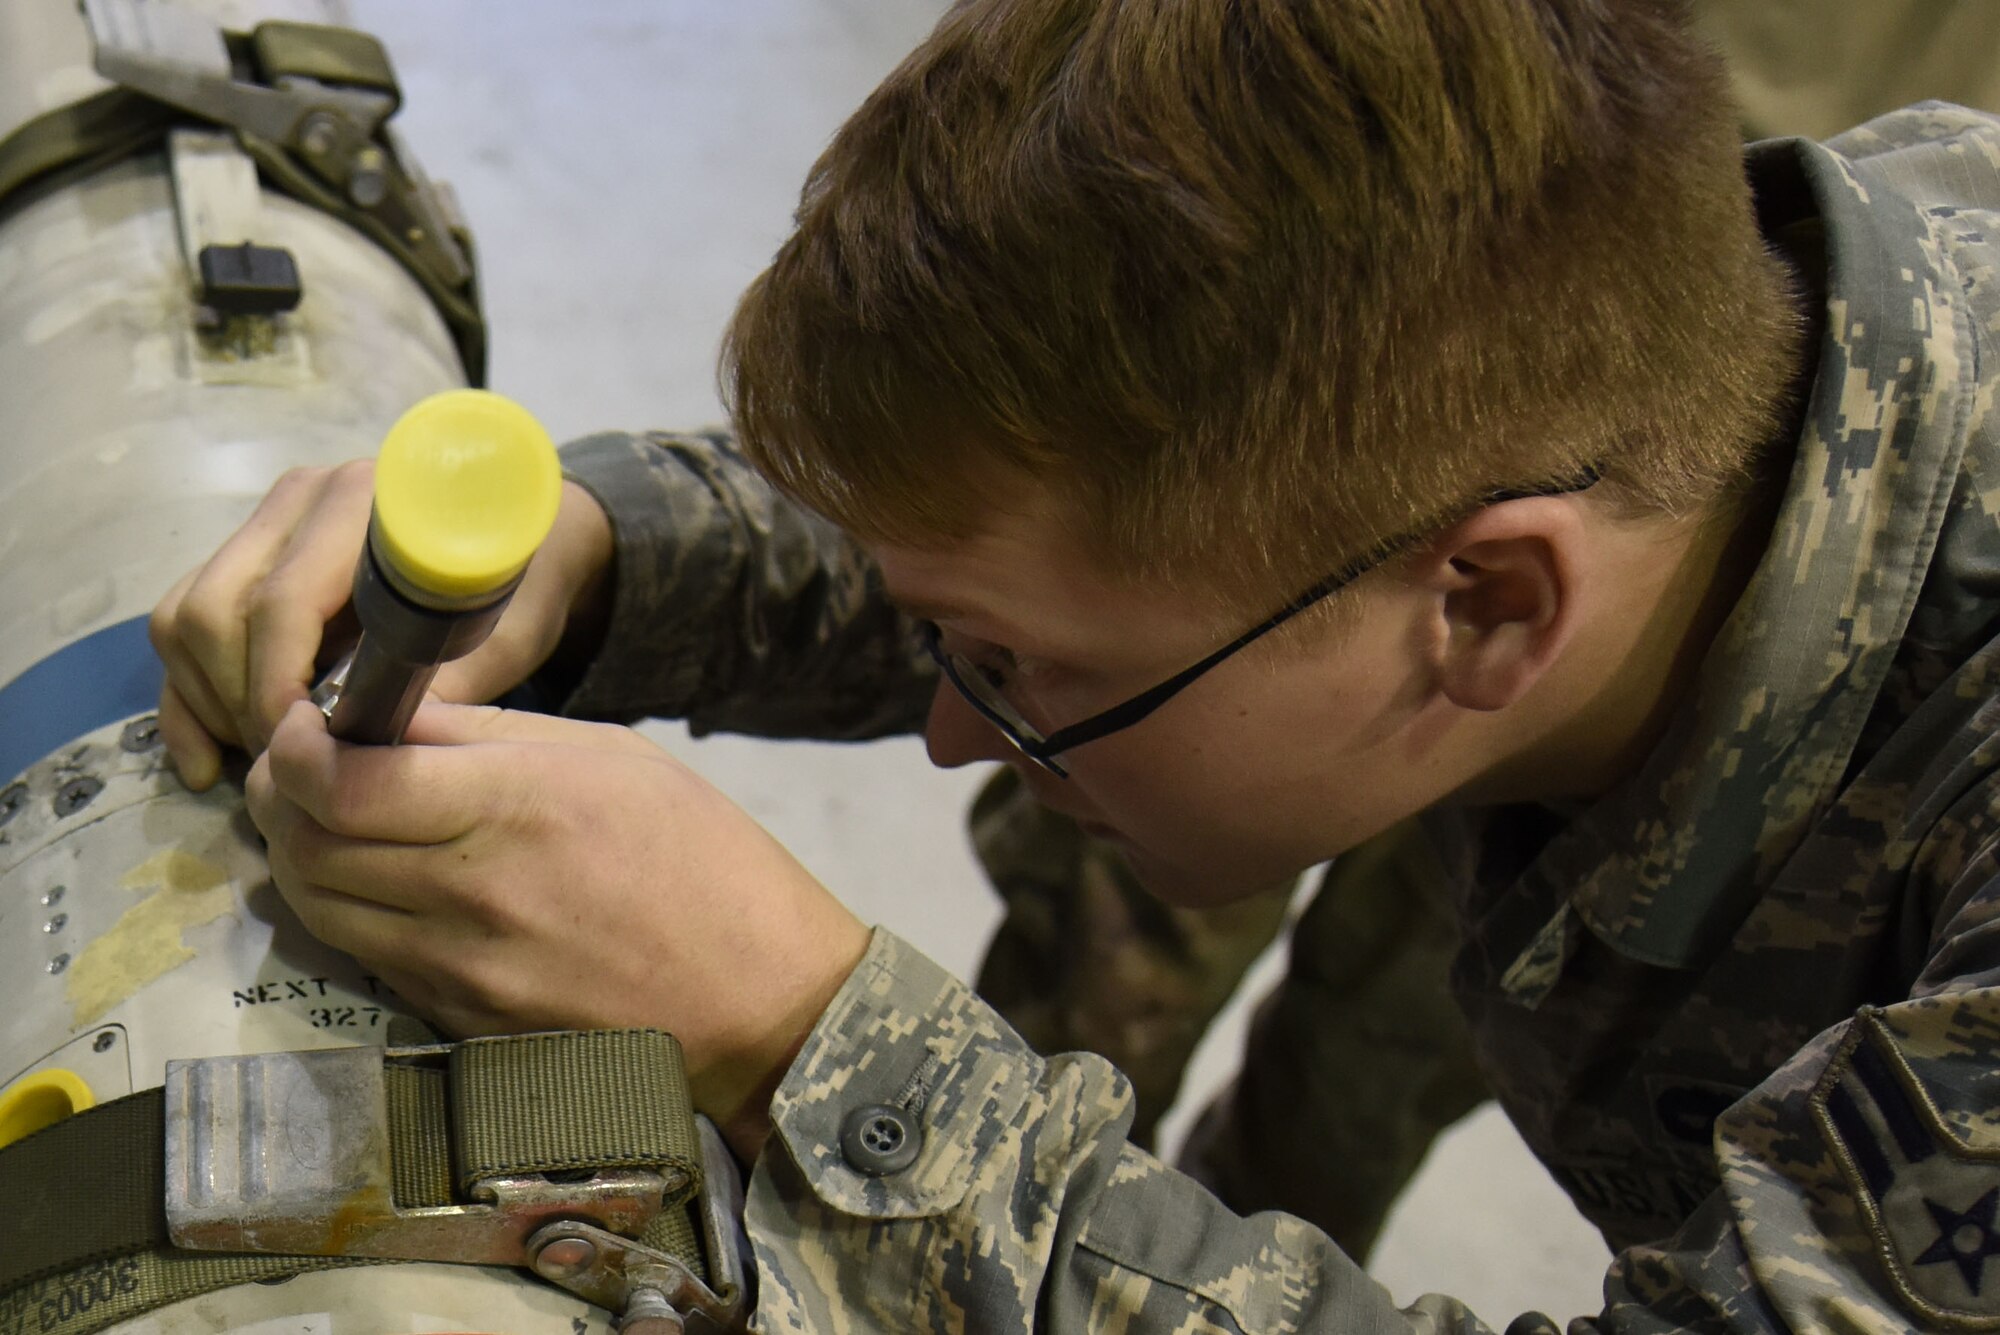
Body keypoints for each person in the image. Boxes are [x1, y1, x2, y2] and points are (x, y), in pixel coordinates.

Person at [151, 0, 2000, 1329]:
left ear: (1493, 612)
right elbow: (1138, 518)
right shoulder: (1657, 387)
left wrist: (822, 1051)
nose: (952, 733)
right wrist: (603, 547)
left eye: (1014, 672)